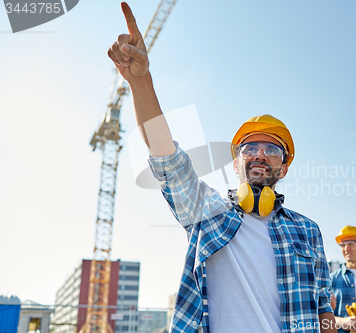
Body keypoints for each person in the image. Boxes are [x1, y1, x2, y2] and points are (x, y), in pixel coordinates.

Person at [107, 3, 335, 333]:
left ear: (283, 169)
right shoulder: (205, 211)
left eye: (272, 148)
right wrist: (140, 82)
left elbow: (323, 304)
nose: (259, 153)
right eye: (249, 147)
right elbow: (166, 157)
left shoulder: (308, 230)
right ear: (236, 163)